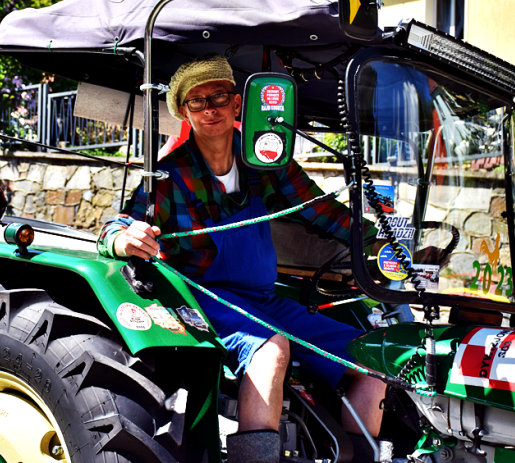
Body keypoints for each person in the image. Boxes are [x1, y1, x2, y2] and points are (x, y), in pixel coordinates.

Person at [97, 54, 387, 463]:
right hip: (205, 300)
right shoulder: (169, 175)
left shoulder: (266, 160)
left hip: (264, 300)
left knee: (371, 359)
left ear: (237, 104)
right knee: (271, 350)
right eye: (197, 102)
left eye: (218, 96)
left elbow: (321, 211)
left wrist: (382, 241)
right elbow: (115, 226)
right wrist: (124, 238)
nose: (209, 108)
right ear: (184, 112)